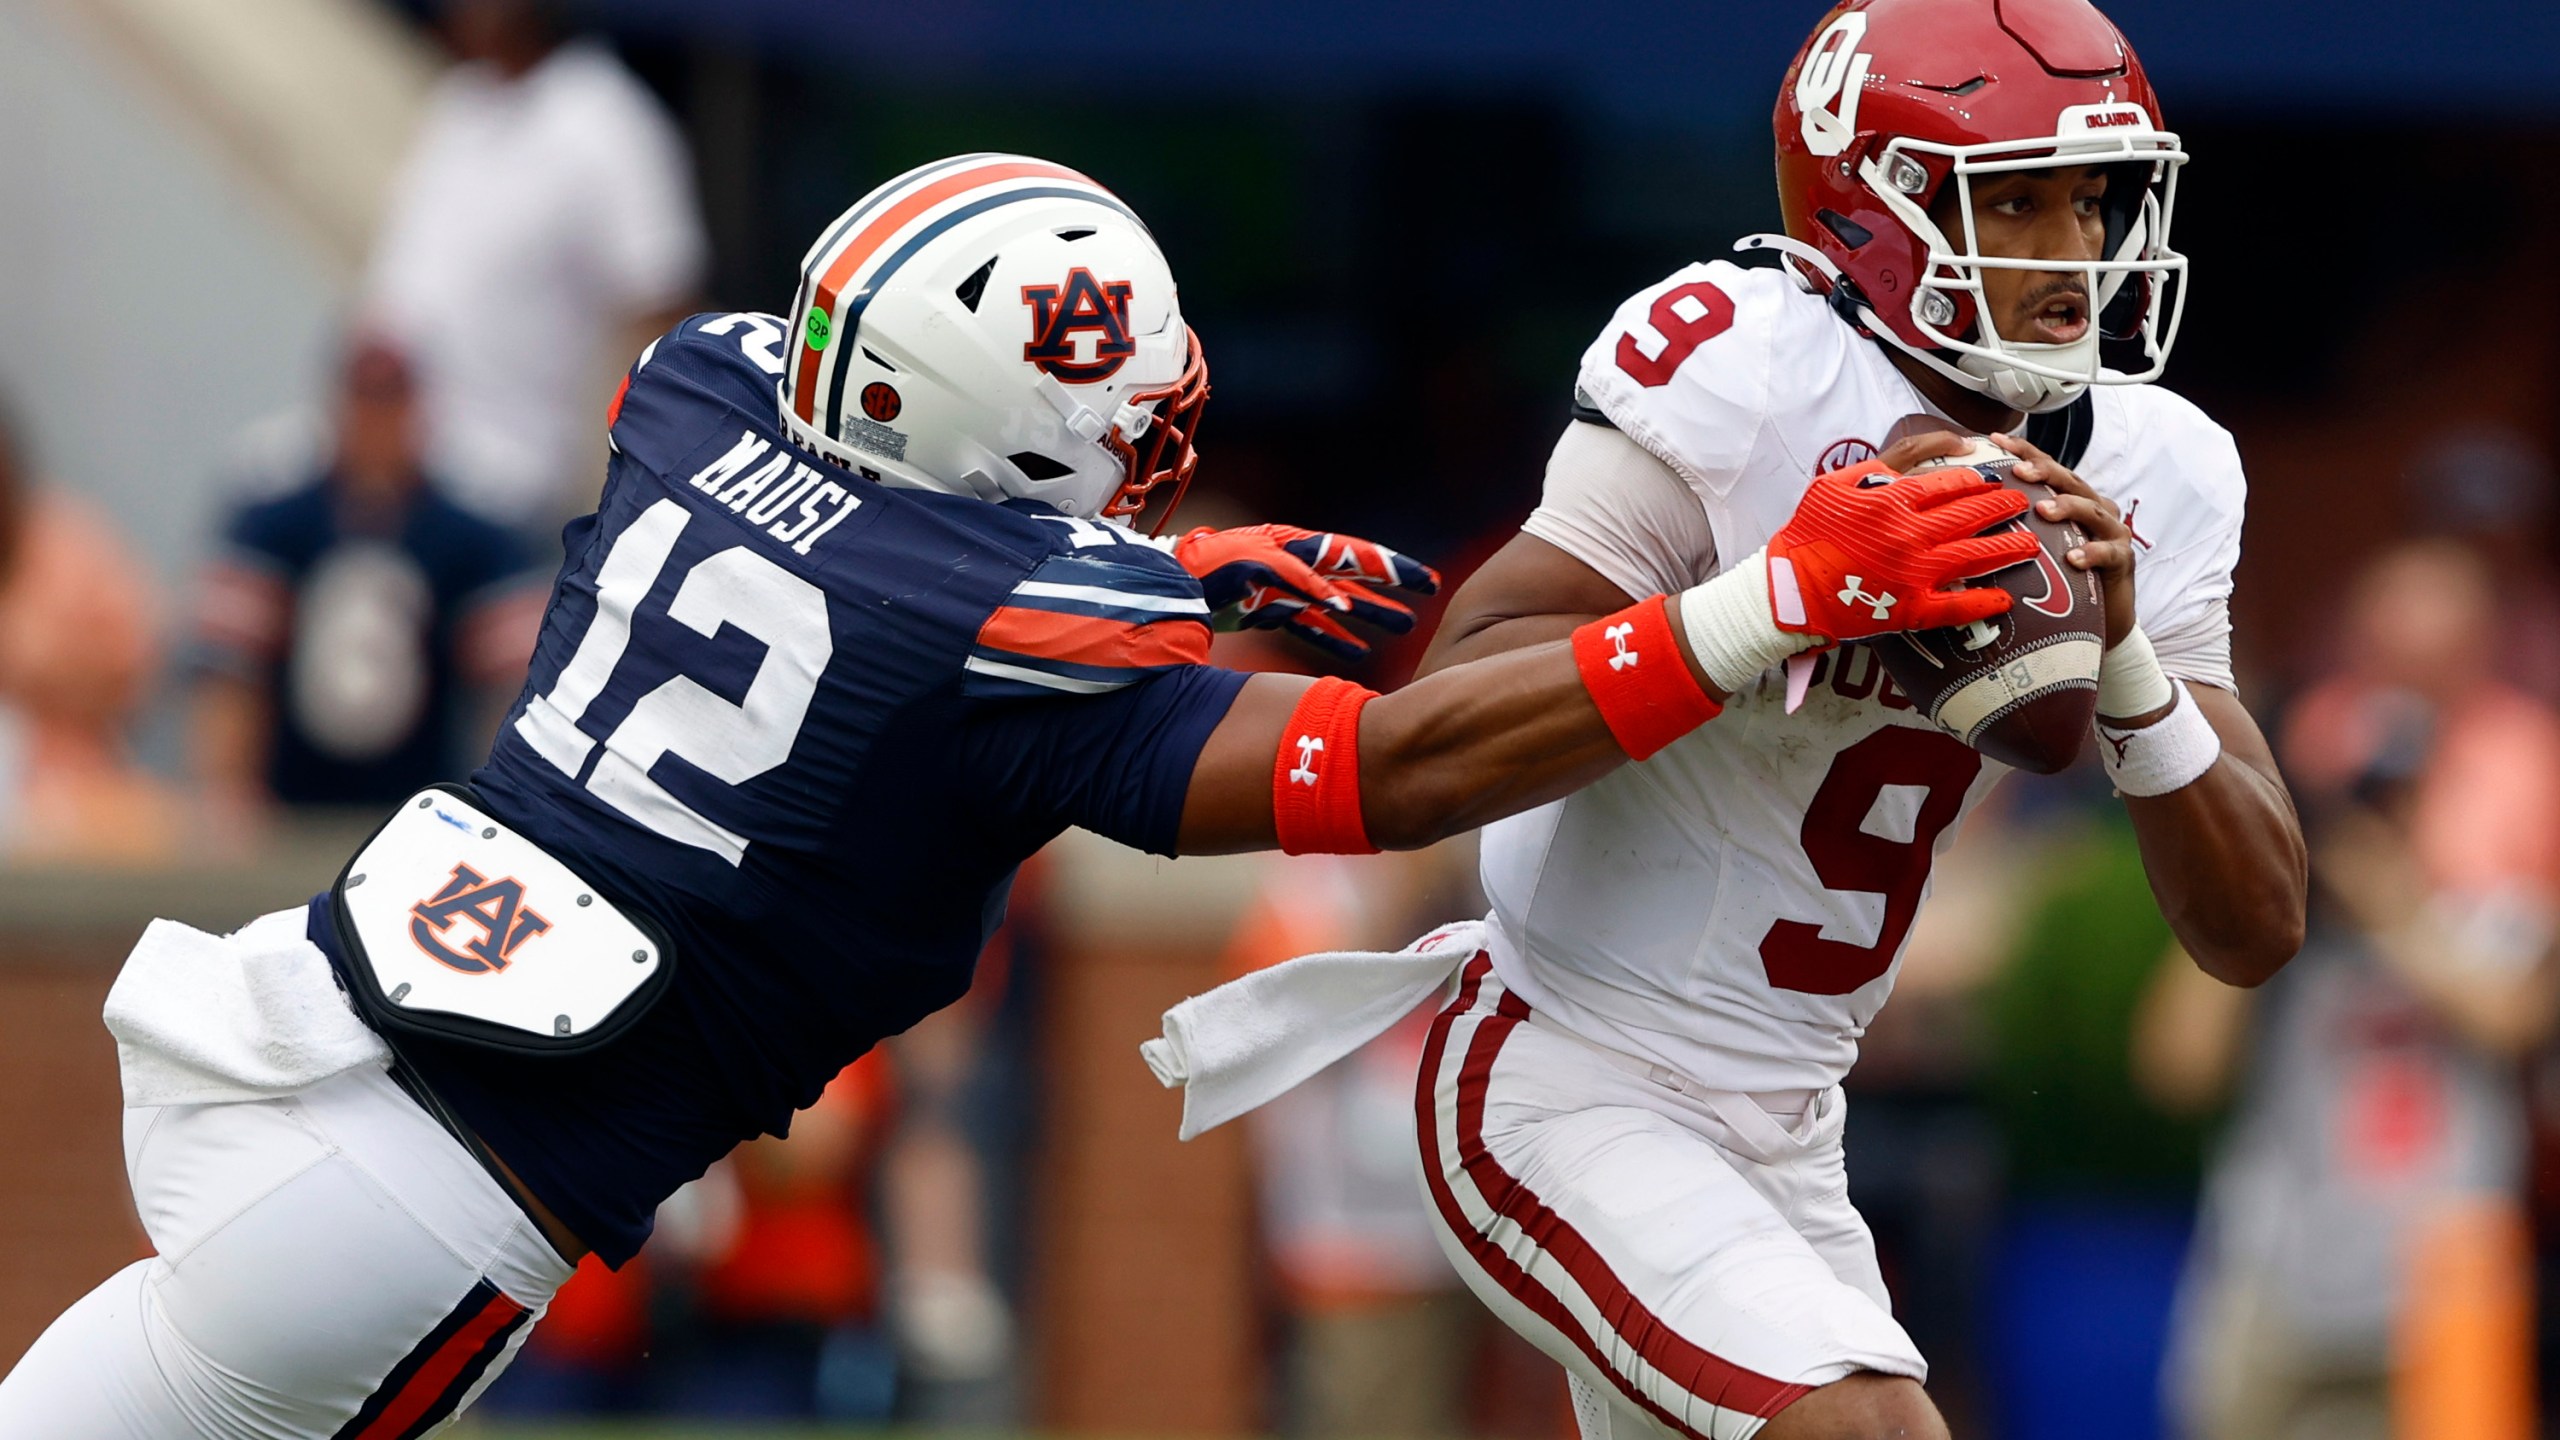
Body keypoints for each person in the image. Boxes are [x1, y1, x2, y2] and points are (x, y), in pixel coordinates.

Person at [0, 152, 2039, 1438]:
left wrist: (1171, 582)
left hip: (275, 1026)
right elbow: (1395, 761)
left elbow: (877, 543)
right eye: (1121, 436)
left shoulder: (693, 390)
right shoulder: (1008, 658)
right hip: (421, 1211)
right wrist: (1773, 602)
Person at [1273, 3, 2304, 1436]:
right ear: (1872, 204)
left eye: (2093, 196)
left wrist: (2126, 657)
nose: (2075, 253)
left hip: (1793, 1130)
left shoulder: (2161, 466)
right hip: (1568, 1061)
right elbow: (1445, 721)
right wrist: (1776, 601)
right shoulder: (1746, 368)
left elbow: (2254, 927)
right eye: (2014, 199)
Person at [2143, 540, 2560, 1440]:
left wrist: (2397, 905)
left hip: (2446, 1273)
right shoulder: (2297, 841)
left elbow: (2512, 1019)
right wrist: (2262, 892)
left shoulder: (2512, 828)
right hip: (2275, 1264)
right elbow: (2174, 1067)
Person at [363, 0, 706, 536]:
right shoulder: (460, 100)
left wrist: (650, 496)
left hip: (496, 483)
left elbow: (665, 319)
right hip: (373, 465)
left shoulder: (611, 124)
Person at [190, 337, 547, 820]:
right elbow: (229, 676)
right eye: (364, 400)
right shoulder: (271, 527)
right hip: (286, 809)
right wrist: (225, 795)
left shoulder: (477, 539)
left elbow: (511, 693)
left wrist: (500, 813)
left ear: (421, 410)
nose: (377, 421)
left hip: (424, 810)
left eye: (391, 401)